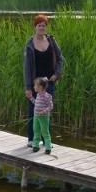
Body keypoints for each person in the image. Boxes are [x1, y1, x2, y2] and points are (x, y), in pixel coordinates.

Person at [23, 14, 63, 148]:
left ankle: (47, 141)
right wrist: (28, 87)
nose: (41, 27)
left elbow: (60, 59)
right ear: (35, 27)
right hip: (35, 84)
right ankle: (31, 139)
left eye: (44, 25)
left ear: (46, 27)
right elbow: (27, 68)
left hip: (49, 83)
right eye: (39, 25)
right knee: (33, 110)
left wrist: (56, 74)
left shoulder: (51, 41)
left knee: (46, 112)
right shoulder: (30, 45)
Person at [29, 77, 54, 154]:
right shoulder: (38, 95)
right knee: (36, 131)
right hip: (36, 116)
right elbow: (36, 104)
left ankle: (48, 147)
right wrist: (31, 97)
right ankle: (36, 145)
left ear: (40, 87)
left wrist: (43, 112)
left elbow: (50, 107)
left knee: (45, 132)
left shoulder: (47, 96)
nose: (34, 87)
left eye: (35, 86)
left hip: (44, 117)